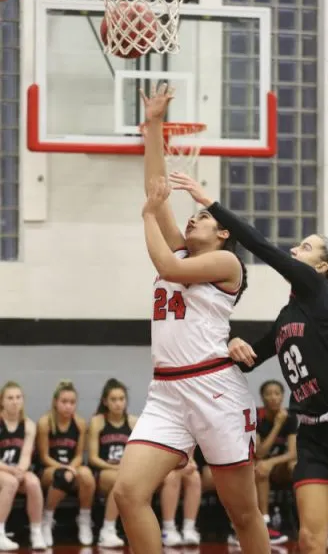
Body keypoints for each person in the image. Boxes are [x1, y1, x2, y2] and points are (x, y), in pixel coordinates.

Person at [170, 171, 328, 554]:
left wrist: (210, 202)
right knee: (309, 541)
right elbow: (247, 361)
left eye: (305, 247)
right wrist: (232, 344)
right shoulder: (287, 316)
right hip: (313, 433)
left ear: (322, 267)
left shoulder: (319, 292)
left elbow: (264, 248)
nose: (295, 249)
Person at [113, 84, 270, 554]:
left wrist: (146, 218)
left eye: (201, 218)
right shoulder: (182, 246)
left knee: (241, 511)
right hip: (166, 390)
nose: (191, 221)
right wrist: (154, 125)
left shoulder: (227, 265)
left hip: (215, 389)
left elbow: (169, 268)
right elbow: (157, 194)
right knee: (127, 493)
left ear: (223, 233)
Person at [37, 380, 95, 547]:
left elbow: (78, 455)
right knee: (62, 476)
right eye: (64, 402)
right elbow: (44, 457)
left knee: (87, 476)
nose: (68, 406)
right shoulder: (45, 422)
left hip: (72, 468)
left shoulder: (80, 423)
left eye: (72, 402)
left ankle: (84, 519)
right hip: (49, 469)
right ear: (56, 402)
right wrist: (64, 469)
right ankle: (47, 520)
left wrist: (72, 468)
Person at [88, 378, 137, 548]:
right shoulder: (98, 422)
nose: (118, 403)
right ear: (105, 401)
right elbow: (93, 458)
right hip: (103, 472)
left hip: (125, 472)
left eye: (121, 399)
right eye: (113, 399)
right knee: (119, 481)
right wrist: (115, 467)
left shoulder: (133, 422)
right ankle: (107, 531)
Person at [0, 381, 46, 551]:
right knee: (10, 483)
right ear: (2, 401)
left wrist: (20, 470)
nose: (14, 401)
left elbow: (26, 454)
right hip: (3, 469)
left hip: (16, 469)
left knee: (33, 482)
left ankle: (36, 531)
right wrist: (12, 471)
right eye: (10, 398)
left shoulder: (28, 424)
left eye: (18, 397)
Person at [255, 380, 297, 544]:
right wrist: (277, 426)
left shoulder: (290, 417)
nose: (273, 397)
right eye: (268, 394)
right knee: (261, 468)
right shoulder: (257, 416)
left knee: (295, 466)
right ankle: (265, 521)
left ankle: (301, 519)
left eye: (277, 393)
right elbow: (260, 452)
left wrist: (272, 462)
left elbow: (293, 453)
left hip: (277, 467)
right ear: (262, 397)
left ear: (282, 397)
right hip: (258, 467)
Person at [160, 458, 201, 546]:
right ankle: (168, 529)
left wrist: (190, 462)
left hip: (180, 462)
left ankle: (189, 528)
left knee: (194, 476)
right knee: (172, 476)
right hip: (160, 465)